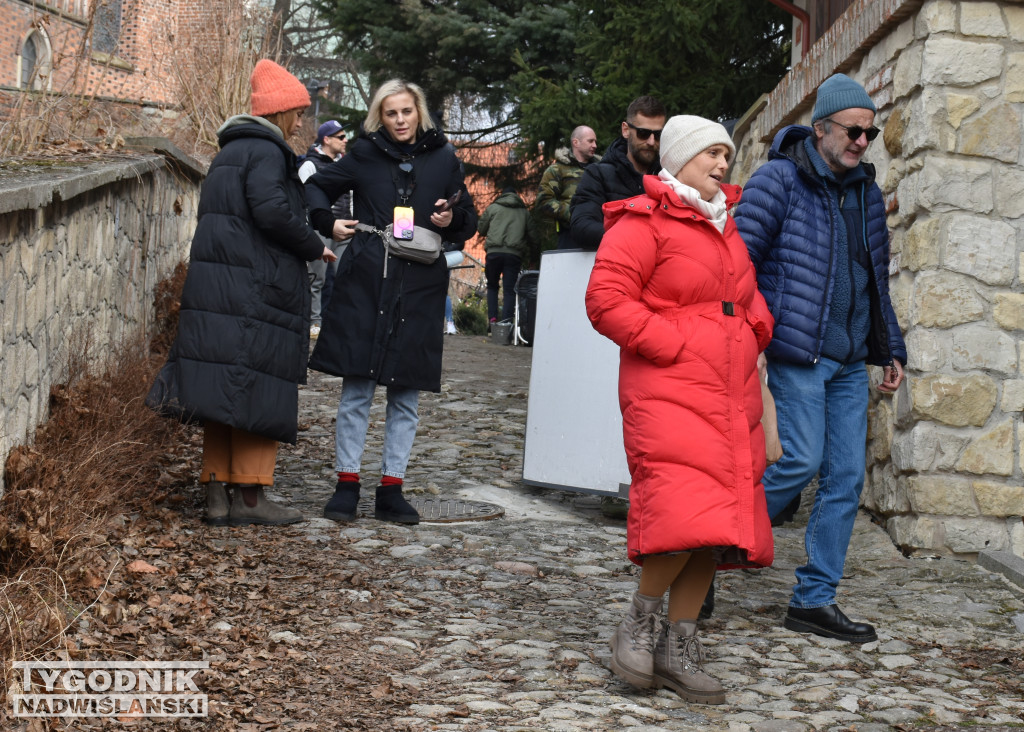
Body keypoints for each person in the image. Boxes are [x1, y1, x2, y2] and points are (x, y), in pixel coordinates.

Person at [586, 115, 774, 703]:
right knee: (679, 518)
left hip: (728, 393)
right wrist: (676, 345)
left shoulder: (726, 225)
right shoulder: (644, 221)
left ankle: (679, 644)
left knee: (713, 526)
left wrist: (756, 326)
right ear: (679, 157)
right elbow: (605, 300)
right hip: (670, 390)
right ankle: (638, 623)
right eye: (712, 153)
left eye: (727, 154)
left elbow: (742, 297)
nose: (723, 164)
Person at [734, 73, 907, 643]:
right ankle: (708, 547)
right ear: (822, 127)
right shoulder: (777, 181)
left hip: (849, 361)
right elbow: (736, 266)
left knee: (846, 479)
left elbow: (874, 281)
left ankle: (814, 599)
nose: (862, 141)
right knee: (799, 461)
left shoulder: (865, 195)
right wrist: (749, 337)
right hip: (796, 352)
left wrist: (890, 349)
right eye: (854, 131)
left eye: (871, 132)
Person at [146, 59, 337, 526]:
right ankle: (251, 499)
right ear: (279, 111)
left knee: (221, 386)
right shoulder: (268, 153)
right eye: (296, 112)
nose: (299, 122)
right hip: (256, 288)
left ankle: (215, 494)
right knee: (258, 385)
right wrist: (316, 245)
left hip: (221, 288)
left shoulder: (229, 152)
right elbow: (271, 212)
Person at [304, 79, 477, 525]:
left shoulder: (444, 157)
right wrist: (329, 221)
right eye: (390, 113)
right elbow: (316, 187)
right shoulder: (363, 154)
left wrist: (450, 217)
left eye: (406, 111)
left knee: (406, 393)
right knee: (357, 387)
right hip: (368, 281)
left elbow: (468, 218)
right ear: (379, 117)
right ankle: (346, 484)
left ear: (419, 111)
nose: (400, 120)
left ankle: (391, 490)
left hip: (419, 286)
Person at [570, 96, 666, 250]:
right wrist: (636, 239)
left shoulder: (670, 178)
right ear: (626, 130)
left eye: (658, 135)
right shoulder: (597, 175)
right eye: (643, 133)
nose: (651, 141)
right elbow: (581, 227)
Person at [298, 120, 351, 339]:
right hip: (320, 228)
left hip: (346, 228)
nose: (345, 140)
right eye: (341, 136)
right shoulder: (310, 165)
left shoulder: (346, 165)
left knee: (345, 274)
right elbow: (301, 200)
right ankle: (314, 323)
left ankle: (338, 321)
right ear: (326, 139)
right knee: (316, 277)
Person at [477, 185, 538, 325]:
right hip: (513, 255)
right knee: (509, 290)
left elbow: (481, 229)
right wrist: (533, 258)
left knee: (492, 286)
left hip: (494, 254)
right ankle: (506, 323)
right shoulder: (524, 213)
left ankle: (492, 319)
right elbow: (534, 238)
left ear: (502, 195)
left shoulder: (493, 208)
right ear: (516, 196)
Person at [535, 125, 598, 249]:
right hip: (570, 236)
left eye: (595, 141)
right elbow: (544, 201)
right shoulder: (557, 170)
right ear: (576, 143)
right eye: (590, 141)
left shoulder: (601, 169)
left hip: (601, 235)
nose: (595, 145)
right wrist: (575, 214)